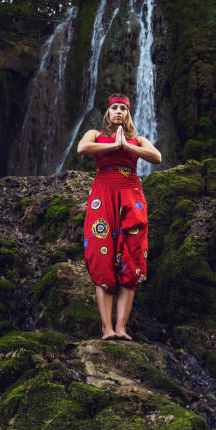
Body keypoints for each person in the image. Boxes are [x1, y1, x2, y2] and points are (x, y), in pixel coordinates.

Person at [77, 93, 161, 340]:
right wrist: (115, 145)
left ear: (128, 114)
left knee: (132, 258)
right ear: (108, 112)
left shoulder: (138, 139)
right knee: (101, 256)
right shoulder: (95, 134)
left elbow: (157, 157)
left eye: (123, 109)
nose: (118, 112)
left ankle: (122, 328)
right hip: (102, 196)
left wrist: (127, 145)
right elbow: (82, 148)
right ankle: (107, 329)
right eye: (114, 108)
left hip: (131, 196)